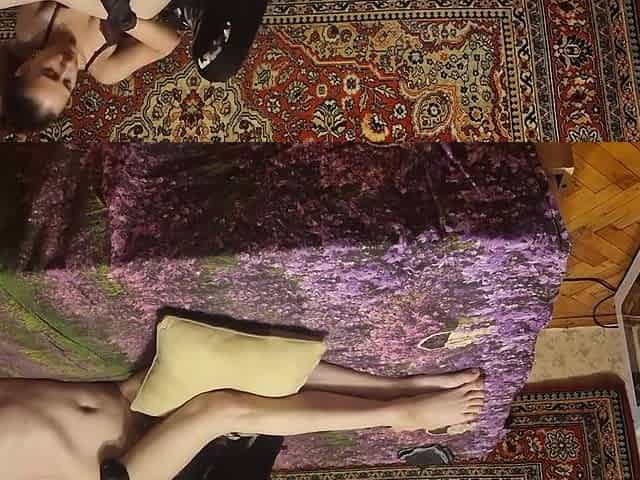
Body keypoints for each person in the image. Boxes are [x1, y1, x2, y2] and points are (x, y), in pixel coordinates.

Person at [0, 363, 484, 479]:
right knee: (219, 408)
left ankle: (397, 387)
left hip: (118, 399)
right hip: (122, 475)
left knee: (216, 366)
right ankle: (399, 414)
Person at [0, 0, 267, 130]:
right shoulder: (103, 68)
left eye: (50, 72)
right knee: (216, 66)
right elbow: (167, 43)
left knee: (145, 7)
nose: (66, 65)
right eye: (67, 82)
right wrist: (128, 21)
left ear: (25, 67)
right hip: (162, 4)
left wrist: (108, 7)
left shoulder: (32, 29)